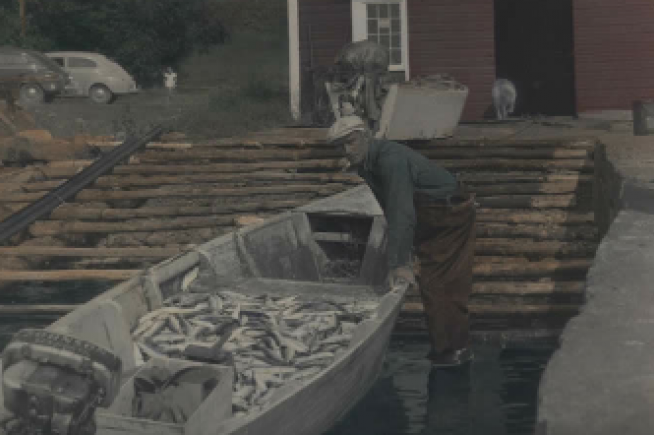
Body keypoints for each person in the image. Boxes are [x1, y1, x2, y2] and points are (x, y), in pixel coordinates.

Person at [326, 115, 477, 368]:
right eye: (339, 147)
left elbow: (402, 211)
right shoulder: (366, 163)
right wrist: (403, 247)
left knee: (439, 282)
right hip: (430, 214)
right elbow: (390, 207)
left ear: (365, 137)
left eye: (350, 142)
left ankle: (454, 351)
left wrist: (399, 263)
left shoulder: (390, 159)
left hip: (449, 215)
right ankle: (448, 347)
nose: (346, 151)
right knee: (437, 282)